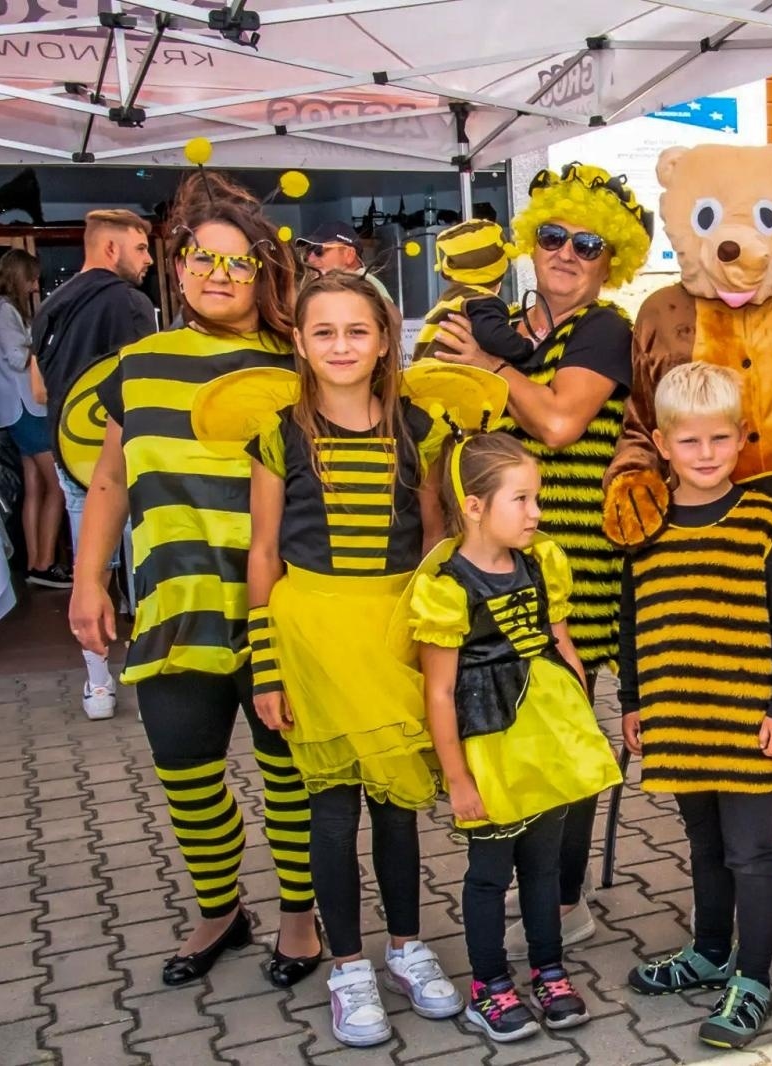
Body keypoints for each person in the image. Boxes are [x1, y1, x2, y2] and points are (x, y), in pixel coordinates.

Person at [67, 171, 321, 988]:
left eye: (238, 262)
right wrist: (88, 582)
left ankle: (299, 917)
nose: (218, 275)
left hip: (279, 605)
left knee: (289, 770)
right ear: (175, 267)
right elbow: (109, 482)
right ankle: (219, 910)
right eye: (201, 259)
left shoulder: (298, 363)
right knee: (184, 767)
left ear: (265, 273)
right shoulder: (136, 367)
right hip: (175, 606)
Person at [229, 273, 461, 1046]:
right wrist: (263, 664)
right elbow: (262, 552)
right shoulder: (277, 434)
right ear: (298, 342)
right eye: (323, 332)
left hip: (393, 633)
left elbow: (432, 539)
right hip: (312, 641)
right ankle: (349, 967)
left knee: (398, 808)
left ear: (385, 340)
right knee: (330, 814)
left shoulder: (420, 430)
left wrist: (435, 643)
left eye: (356, 331)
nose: (340, 346)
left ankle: (406, 947)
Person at [434, 162, 651, 956]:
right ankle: (515, 885)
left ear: (610, 259)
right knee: (508, 725)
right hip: (492, 556)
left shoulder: (604, 330)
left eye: (587, 244)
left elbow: (560, 424)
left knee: (561, 724)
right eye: (554, 236)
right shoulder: (511, 322)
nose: (566, 253)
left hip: (575, 562)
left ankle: (563, 900)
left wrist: (487, 369)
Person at [618, 364, 772, 1050]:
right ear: (663, 444)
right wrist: (632, 701)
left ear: (741, 439)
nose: (706, 454)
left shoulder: (764, 515)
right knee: (703, 844)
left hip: (752, 719)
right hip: (677, 714)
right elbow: (632, 617)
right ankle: (707, 952)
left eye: (719, 440)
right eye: (690, 441)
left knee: (752, 853)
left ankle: (752, 978)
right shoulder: (646, 521)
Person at [410, 431, 622, 1044]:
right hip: (490, 744)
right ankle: (488, 985)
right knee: (488, 871)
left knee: (543, 863)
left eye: (537, 499)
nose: (537, 513)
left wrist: (579, 724)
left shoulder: (540, 562)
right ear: (474, 506)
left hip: (545, 736)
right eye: (522, 499)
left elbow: (564, 646)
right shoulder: (447, 586)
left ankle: (548, 969)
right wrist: (456, 777)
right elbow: (439, 693)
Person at [31, 208, 157, 719]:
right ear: (111, 249)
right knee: (145, 565)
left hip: (71, 457)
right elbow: (146, 386)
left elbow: (39, 390)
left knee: (92, 568)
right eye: (142, 248)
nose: (149, 260)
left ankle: (98, 684)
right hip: (129, 458)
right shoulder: (129, 302)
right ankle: (154, 669)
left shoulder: (48, 306)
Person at [0, 249, 63, 588]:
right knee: (57, 486)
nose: (35, 284)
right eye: (32, 277)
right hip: (26, 408)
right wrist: (46, 343)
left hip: (19, 408)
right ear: (18, 276)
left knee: (35, 487)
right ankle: (44, 564)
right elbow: (17, 357)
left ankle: (34, 562)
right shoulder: (2, 310)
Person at [414, 218, 534, 367]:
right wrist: (528, 346)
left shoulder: (450, 300)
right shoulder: (482, 302)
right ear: (497, 275)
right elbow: (494, 337)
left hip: (425, 373)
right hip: (452, 378)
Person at [296, 221, 393, 303]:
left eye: (318, 250)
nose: (310, 259)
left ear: (349, 254)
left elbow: (393, 319)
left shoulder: (365, 285)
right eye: (309, 251)